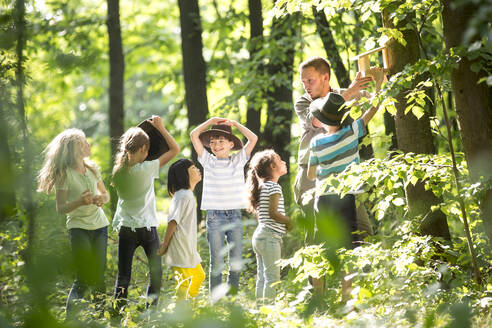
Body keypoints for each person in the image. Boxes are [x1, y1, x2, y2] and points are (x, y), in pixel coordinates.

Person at [307, 89, 382, 300]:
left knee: (321, 246)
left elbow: (311, 174)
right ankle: (346, 299)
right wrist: (373, 91)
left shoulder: (316, 143)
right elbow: (373, 109)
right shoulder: (351, 132)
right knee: (348, 246)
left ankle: (318, 298)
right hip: (345, 196)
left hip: (322, 199)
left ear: (321, 119)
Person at [294, 56, 375, 242]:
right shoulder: (303, 102)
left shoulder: (347, 94)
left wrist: (377, 80)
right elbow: (318, 120)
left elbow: (374, 101)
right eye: (303, 81)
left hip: (344, 173)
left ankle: (362, 270)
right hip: (311, 173)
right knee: (318, 236)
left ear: (325, 77)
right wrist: (350, 93)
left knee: (362, 230)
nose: (306, 85)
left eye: (310, 80)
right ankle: (317, 271)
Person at [37, 128, 110, 317]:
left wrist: (101, 199)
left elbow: (105, 194)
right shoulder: (64, 174)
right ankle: (70, 320)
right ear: (75, 148)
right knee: (84, 278)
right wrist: (80, 201)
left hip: (100, 226)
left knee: (99, 276)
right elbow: (61, 208)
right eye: (84, 142)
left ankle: (101, 318)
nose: (88, 145)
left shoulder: (93, 168)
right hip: (79, 229)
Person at [112, 115, 179, 308]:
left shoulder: (119, 171)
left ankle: (118, 315)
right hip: (147, 229)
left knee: (123, 275)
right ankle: (151, 313)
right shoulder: (147, 169)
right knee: (156, 272)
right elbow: (175, 149)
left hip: (126, 228)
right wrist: (161, 127)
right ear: (143, 149)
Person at [190, 117, 258, 296]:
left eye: (221, 141)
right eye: (212, 142)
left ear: (231, 144)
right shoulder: (208, 161)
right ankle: (215, 300)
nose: (216, 145)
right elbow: (194, 134)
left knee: (235, 260)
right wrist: (211, 120)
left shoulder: (238, 161)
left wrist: (235, 125)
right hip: (214, 217)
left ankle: (231, 297)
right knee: (217, 261)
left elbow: (253, 139)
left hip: (234, 215)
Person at [246, 150, 293, 303]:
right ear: (273, 166)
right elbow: (274, 214)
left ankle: (260, 309)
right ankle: (269, 310)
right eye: (280, 160)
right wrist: (289, 221)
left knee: (262, 277)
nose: (284, 163)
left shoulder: (262, 187)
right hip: (269, 237)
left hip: (260, 236)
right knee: (272, 278)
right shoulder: (274, 187)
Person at [157, 159, 205, 300]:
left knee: (199, 276)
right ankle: (180, 315)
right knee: (183, 283)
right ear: (184, 175)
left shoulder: (187, 195)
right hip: (180, 247)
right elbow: (173, 222)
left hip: (188, 247)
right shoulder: (182, 195)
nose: (198, 170)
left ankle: (189, 308)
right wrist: (164, 246)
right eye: (193, 168)